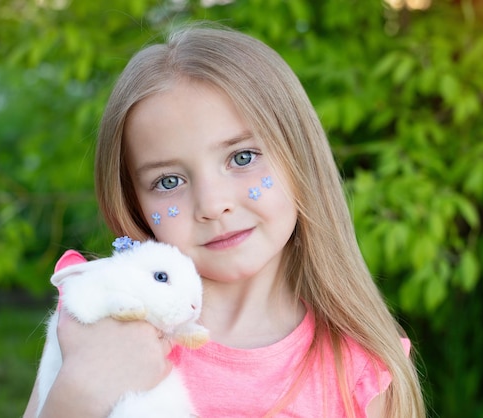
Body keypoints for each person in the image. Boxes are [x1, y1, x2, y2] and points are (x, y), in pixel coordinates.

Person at [24, 23, 425, 418]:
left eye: (242, 158)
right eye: (168, 181)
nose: (212, 205)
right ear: (135, 203)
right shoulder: (99, 322)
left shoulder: (359, 372)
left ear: (299, 156)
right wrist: (81, 390)